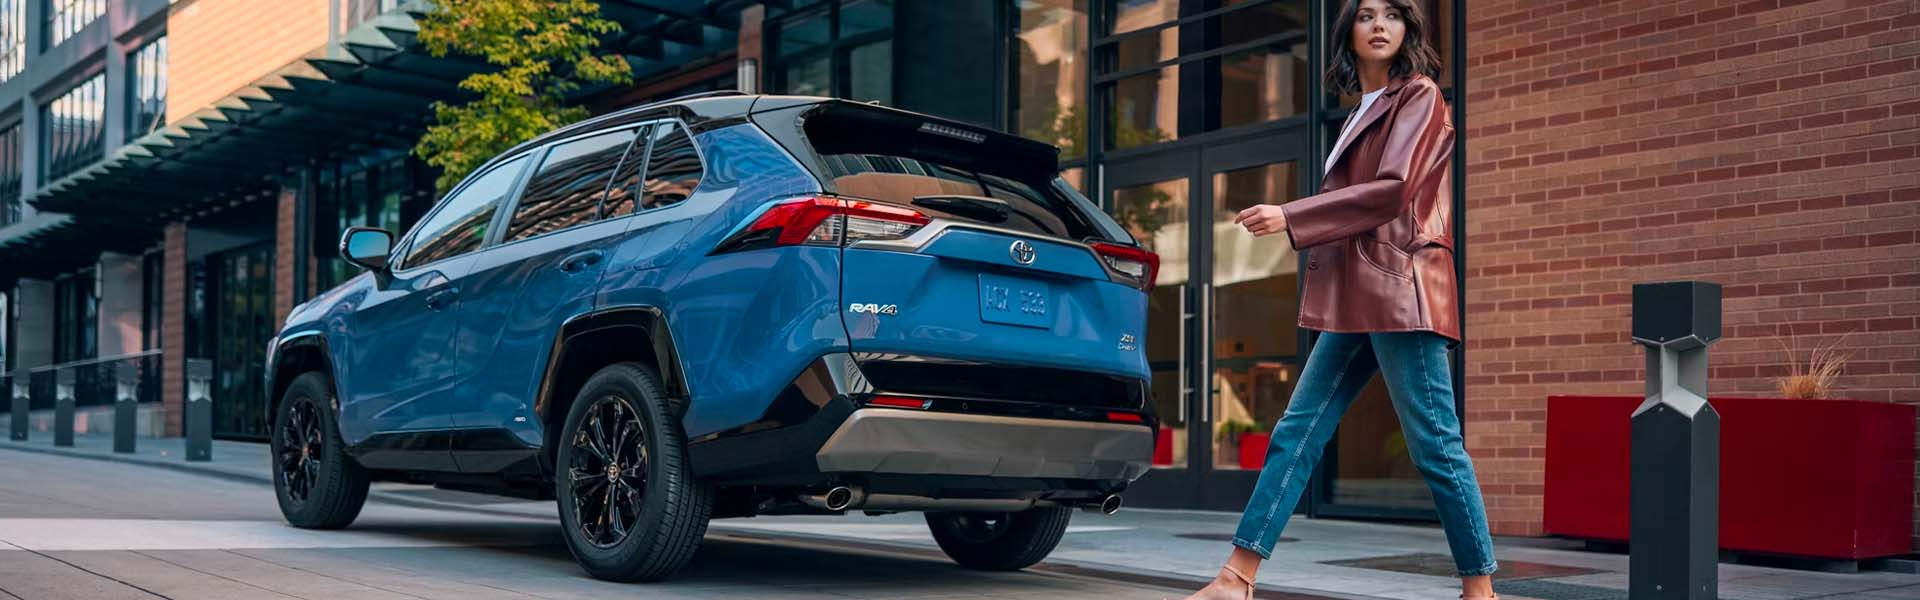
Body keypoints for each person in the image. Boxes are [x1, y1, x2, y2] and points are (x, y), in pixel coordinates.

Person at [1181, 0, 1495, 598]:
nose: (1380, 25)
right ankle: (1236, 578)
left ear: (1409, 31)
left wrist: (1290, 215)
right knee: (1295, 432)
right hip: (1358, 294)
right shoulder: (1360, 112)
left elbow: (1393, 191)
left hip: (1403, 291)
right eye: (1366, 14)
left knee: (1435, 445)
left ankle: (1479, 591)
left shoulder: (1420, 95)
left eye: (1393, 15)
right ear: (1347, 31)